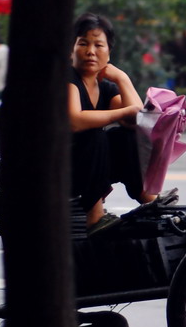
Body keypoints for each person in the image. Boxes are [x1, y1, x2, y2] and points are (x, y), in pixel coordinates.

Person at [69, 13, 169, 235]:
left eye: (99, 45)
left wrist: (122, 78)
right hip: (62, 169)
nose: (91, 51)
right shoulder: (68, 79)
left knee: (127, 136)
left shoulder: (104, 85)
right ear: (71, 50)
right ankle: (95, 218)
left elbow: (137, 121)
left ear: (108, 52)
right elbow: (75, 121)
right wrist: (121, 113)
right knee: (94, 133)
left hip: (90, 169)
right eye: (83, 43)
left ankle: (148, 199)